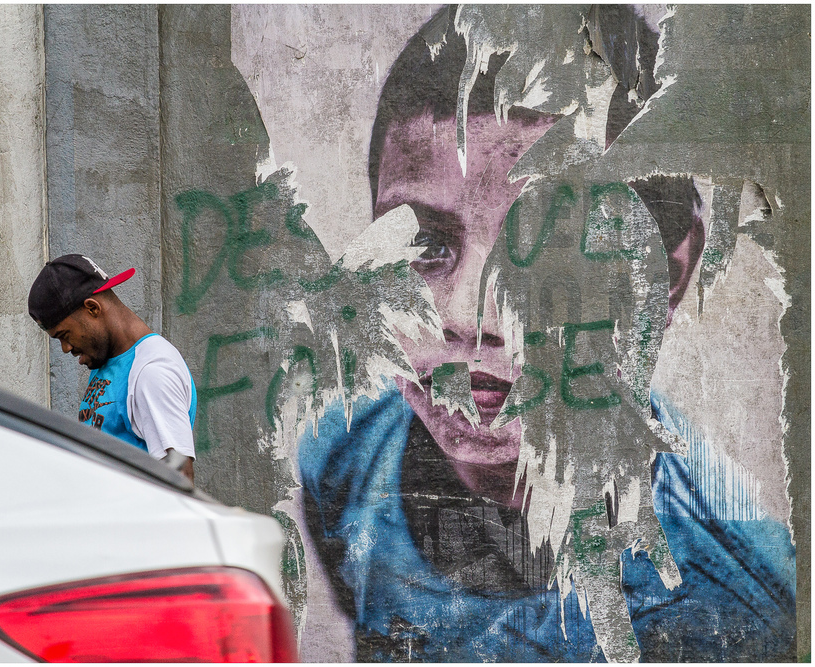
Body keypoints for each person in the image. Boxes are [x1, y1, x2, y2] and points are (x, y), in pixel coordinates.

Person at [299, 6, 794, 662]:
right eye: (424, 244)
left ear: (665, 279)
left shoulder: (734, 607)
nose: (469, 316)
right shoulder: (345, 455)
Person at [28, 254, 197, 483]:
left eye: (64, 335)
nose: (66, 348)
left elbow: (179, 478)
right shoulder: (110, 359)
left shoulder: (151, 371)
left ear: (92, 308)